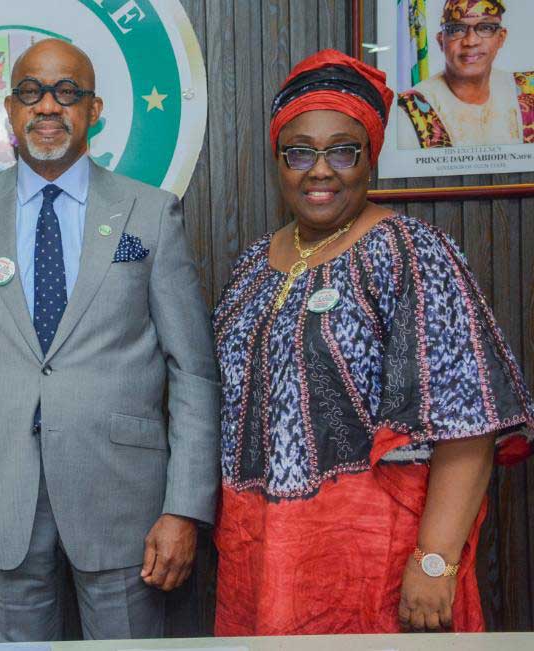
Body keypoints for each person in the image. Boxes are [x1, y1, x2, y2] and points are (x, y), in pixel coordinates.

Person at [213, 49, 534, 635]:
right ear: (279, 160)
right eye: (299, 152)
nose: (320, 170)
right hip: (260, 554)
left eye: (343, 150)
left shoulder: (411, 253)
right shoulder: (253, 265)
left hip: (376, 558)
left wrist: (434, 561)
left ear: (371, 159)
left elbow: (470, 421)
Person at [0, 38, 220, 642]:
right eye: (31, 92)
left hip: (124, 502)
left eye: (66, 92)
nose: (47, 106)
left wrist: (184, 507)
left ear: (93, 109)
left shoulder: (150, 213)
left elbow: (193, 373)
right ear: (9, 109)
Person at [397, 0, 534, 148]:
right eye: (457, 29)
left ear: (501, 38)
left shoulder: (528, 90)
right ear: (441, 41)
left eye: (486, 28)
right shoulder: (409, 110)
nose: (471, 41)